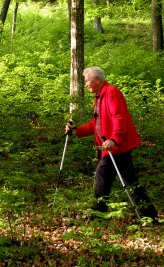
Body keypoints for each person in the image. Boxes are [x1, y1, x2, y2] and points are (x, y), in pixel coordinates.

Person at [65, 66, 158, 220]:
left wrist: (115, 139)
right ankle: (149, 214)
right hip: (113, 146)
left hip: (116, 147)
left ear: (97, 79)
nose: (86, 84)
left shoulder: (111, 92)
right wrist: (77, 131)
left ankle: (97, 213)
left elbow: (119, 118)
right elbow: (96, 124)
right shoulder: (100, 96)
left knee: (103, 174)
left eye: (87, 81)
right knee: (129, 180)